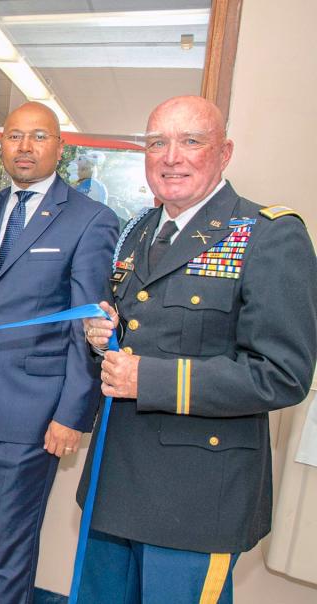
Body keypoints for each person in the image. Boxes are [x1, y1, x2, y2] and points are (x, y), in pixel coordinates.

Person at [80, 95, 317, 603]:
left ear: (224, 152)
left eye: (191, 141)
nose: (171, 157)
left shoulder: (268, 235)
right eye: (157, 143)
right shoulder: (137, 231)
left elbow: (282, 374)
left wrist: (151, 379)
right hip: (114, 477)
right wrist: (101, 339)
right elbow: (133, 334)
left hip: (196, 496)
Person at [0, 102, 119, 604]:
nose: (24, 147)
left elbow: (86, 326)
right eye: (14, 136)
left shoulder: (90, 220)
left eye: (38, 136)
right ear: (1, 144)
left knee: (14, 537)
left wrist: (72, 413)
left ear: (60, 147)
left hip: (37, 407)